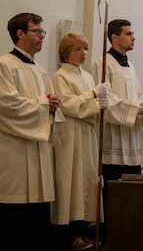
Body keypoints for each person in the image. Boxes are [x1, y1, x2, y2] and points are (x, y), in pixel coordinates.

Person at [0, 13, 63, 249]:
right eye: (37, 31)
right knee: (15, 217)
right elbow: (6, 104)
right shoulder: (4, 64)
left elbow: (49, 104)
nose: (42, 36)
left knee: (38, 212)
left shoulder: (39, 68)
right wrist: (44, 103)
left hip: (39, 150)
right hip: (14, 150)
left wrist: (53, 104)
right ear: (20, 34)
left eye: (42, 31)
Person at [51, 33, 107, 250]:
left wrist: (103, 104)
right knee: (72, 184)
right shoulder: (60, 77)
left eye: (85, 49)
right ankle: (70, 236)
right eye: (78, 49)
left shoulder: (87, 76)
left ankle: (84, 232)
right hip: (70, 136)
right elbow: (69, 105)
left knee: (86, 183)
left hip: (88, 135)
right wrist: (93, 95)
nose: (83, 53)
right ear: (66, 51)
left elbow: (92, 107)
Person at [91, 19, 143, 185]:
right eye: (128, 33)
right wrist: (135, 110)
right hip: (112, 139)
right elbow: (104, 98)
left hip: (132, 139)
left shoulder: (130, 65)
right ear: (114, 37)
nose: (133, 38)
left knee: (132, 193)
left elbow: (137, 96)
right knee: (113, 191)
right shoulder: (102, 63)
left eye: (133, 34)